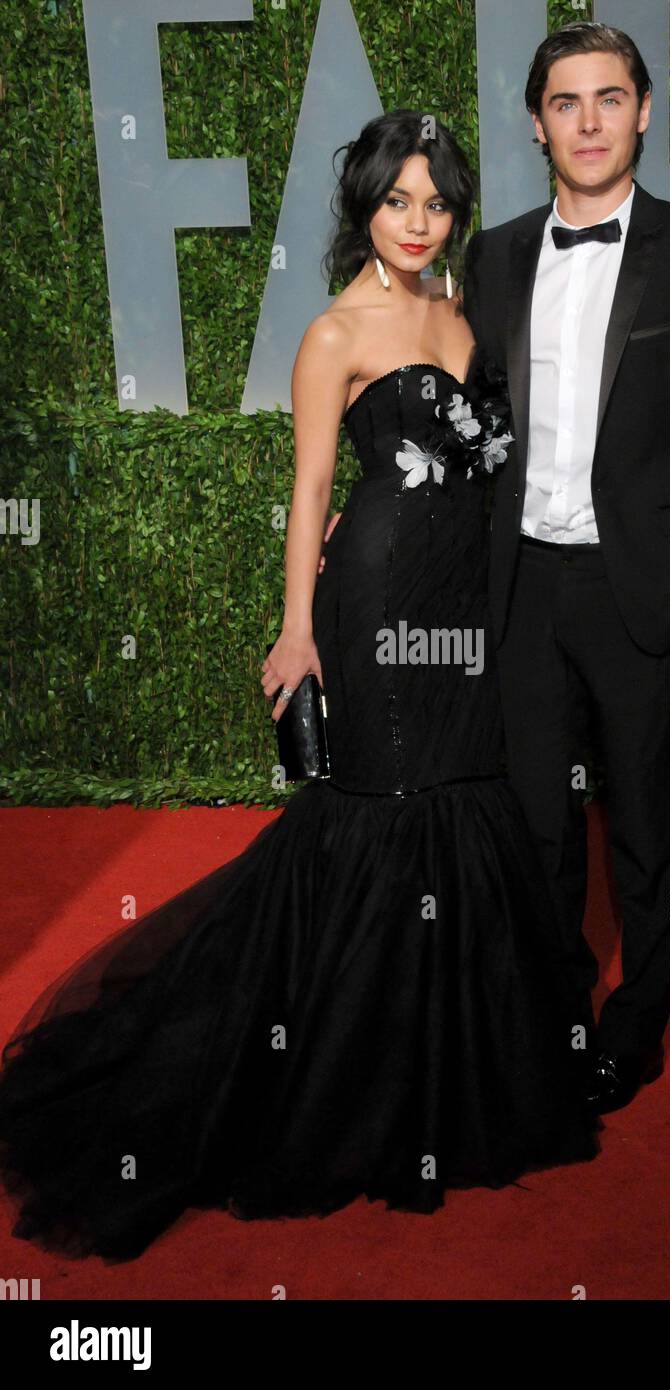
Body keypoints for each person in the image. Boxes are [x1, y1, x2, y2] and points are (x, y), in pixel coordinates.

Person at [0, 111, 599, 1264]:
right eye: (396, 202)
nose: (417, 223)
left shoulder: (463, 317)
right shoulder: (335, 334)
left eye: (435, 203)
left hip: (465, 599)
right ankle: (337, 1091)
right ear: (363, 210)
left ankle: (446, 1086)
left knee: (465, 794)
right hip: (373, 597)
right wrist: (296, 632)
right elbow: (312, 484)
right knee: (381, 810)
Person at [462, 22, 670, 1114]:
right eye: (566, 101)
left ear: (644, 111)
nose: (589, 121)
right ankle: (551, 1019)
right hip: (521, 589)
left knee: (643, 827)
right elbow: (471, 428)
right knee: (540, 828)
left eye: (610, 98)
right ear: (535, 121)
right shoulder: (495, 252)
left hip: (638, 587)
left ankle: (632, 1025)